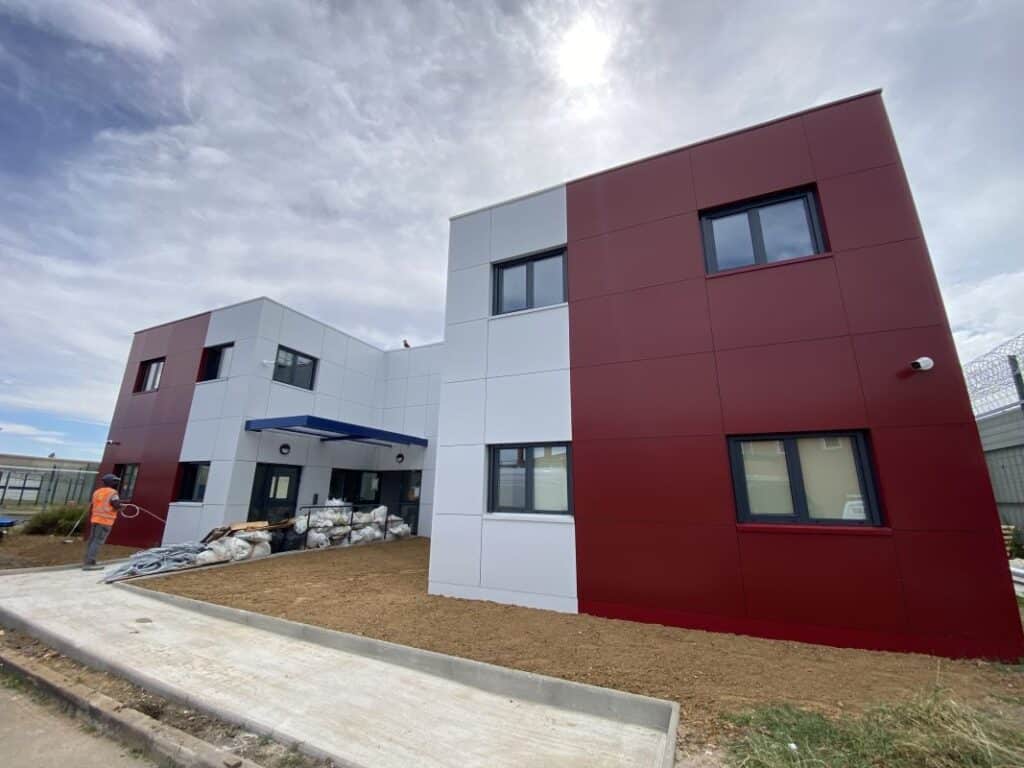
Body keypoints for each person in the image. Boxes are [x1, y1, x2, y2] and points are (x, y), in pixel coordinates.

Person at [83, 473, 122, 569]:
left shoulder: (97, 492)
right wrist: (122, 508)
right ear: (111, 482)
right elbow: (116, 505)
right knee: (97, 541)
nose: (116, 483)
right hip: (105, 521)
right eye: (115, 481)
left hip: (95, 519)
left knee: (92, 540)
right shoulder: (113, 493)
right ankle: (90, 563)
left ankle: (88, 559)